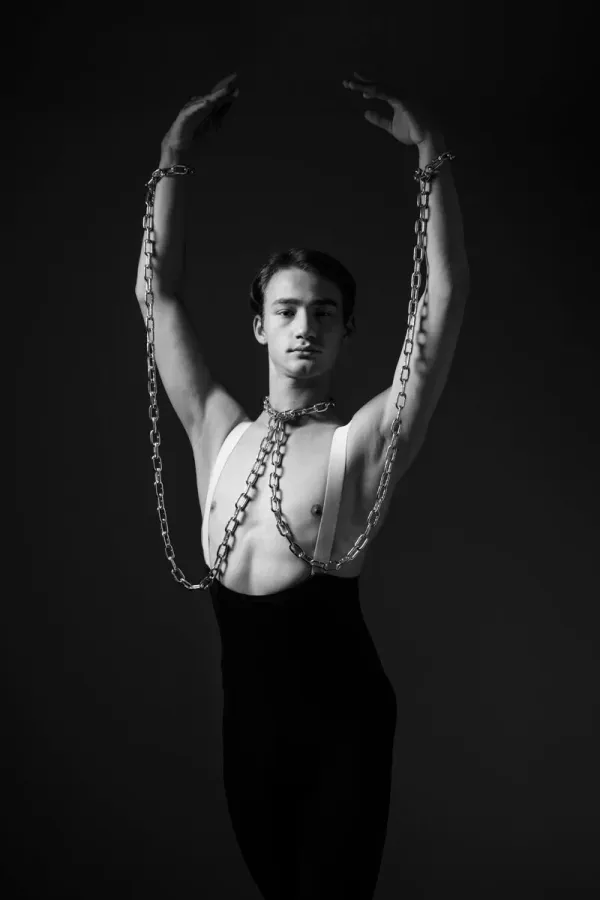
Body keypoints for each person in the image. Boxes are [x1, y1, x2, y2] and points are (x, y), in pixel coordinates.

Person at [135, 70, 468, 899]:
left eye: (324, 313)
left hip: (342, 736)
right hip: (246, 738)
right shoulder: (219, 433)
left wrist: (431, 159)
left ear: (347, 329)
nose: (304, 327)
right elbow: (158, 293)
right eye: (287, 310)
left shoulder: (359, 444)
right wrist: (172, 156)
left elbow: (442, 307)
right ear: (259, 324)